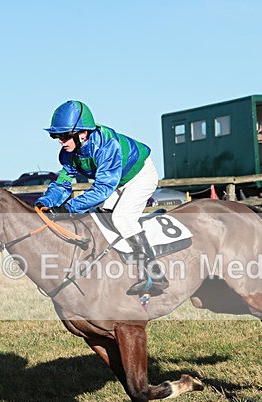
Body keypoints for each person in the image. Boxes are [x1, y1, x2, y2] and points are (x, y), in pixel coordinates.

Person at [36, 100, 168, 296]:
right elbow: (63, 183)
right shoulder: (69, 153)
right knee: (100, 217)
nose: (60, 141)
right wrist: (45, 202)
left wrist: (68, 208)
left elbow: (103, 188)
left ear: (83, 133)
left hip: (140, 175)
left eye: (64, 136)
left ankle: (155, 274)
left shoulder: (107, 145)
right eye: (56, 135)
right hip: (116, 180)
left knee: (121, 218)